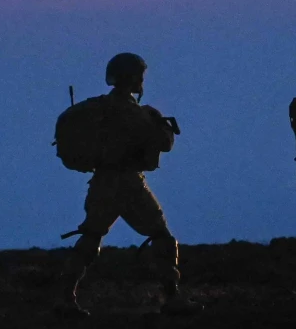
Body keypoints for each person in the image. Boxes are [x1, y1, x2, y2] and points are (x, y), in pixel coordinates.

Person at [56, 53, 199, 316]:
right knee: (162, 237)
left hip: (101, 182)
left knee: (90, 237)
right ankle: (172, 297)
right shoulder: (134, 112)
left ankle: (66, 298)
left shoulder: (99, 107)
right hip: (128, 182)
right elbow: (163, 144)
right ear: (132, 77)